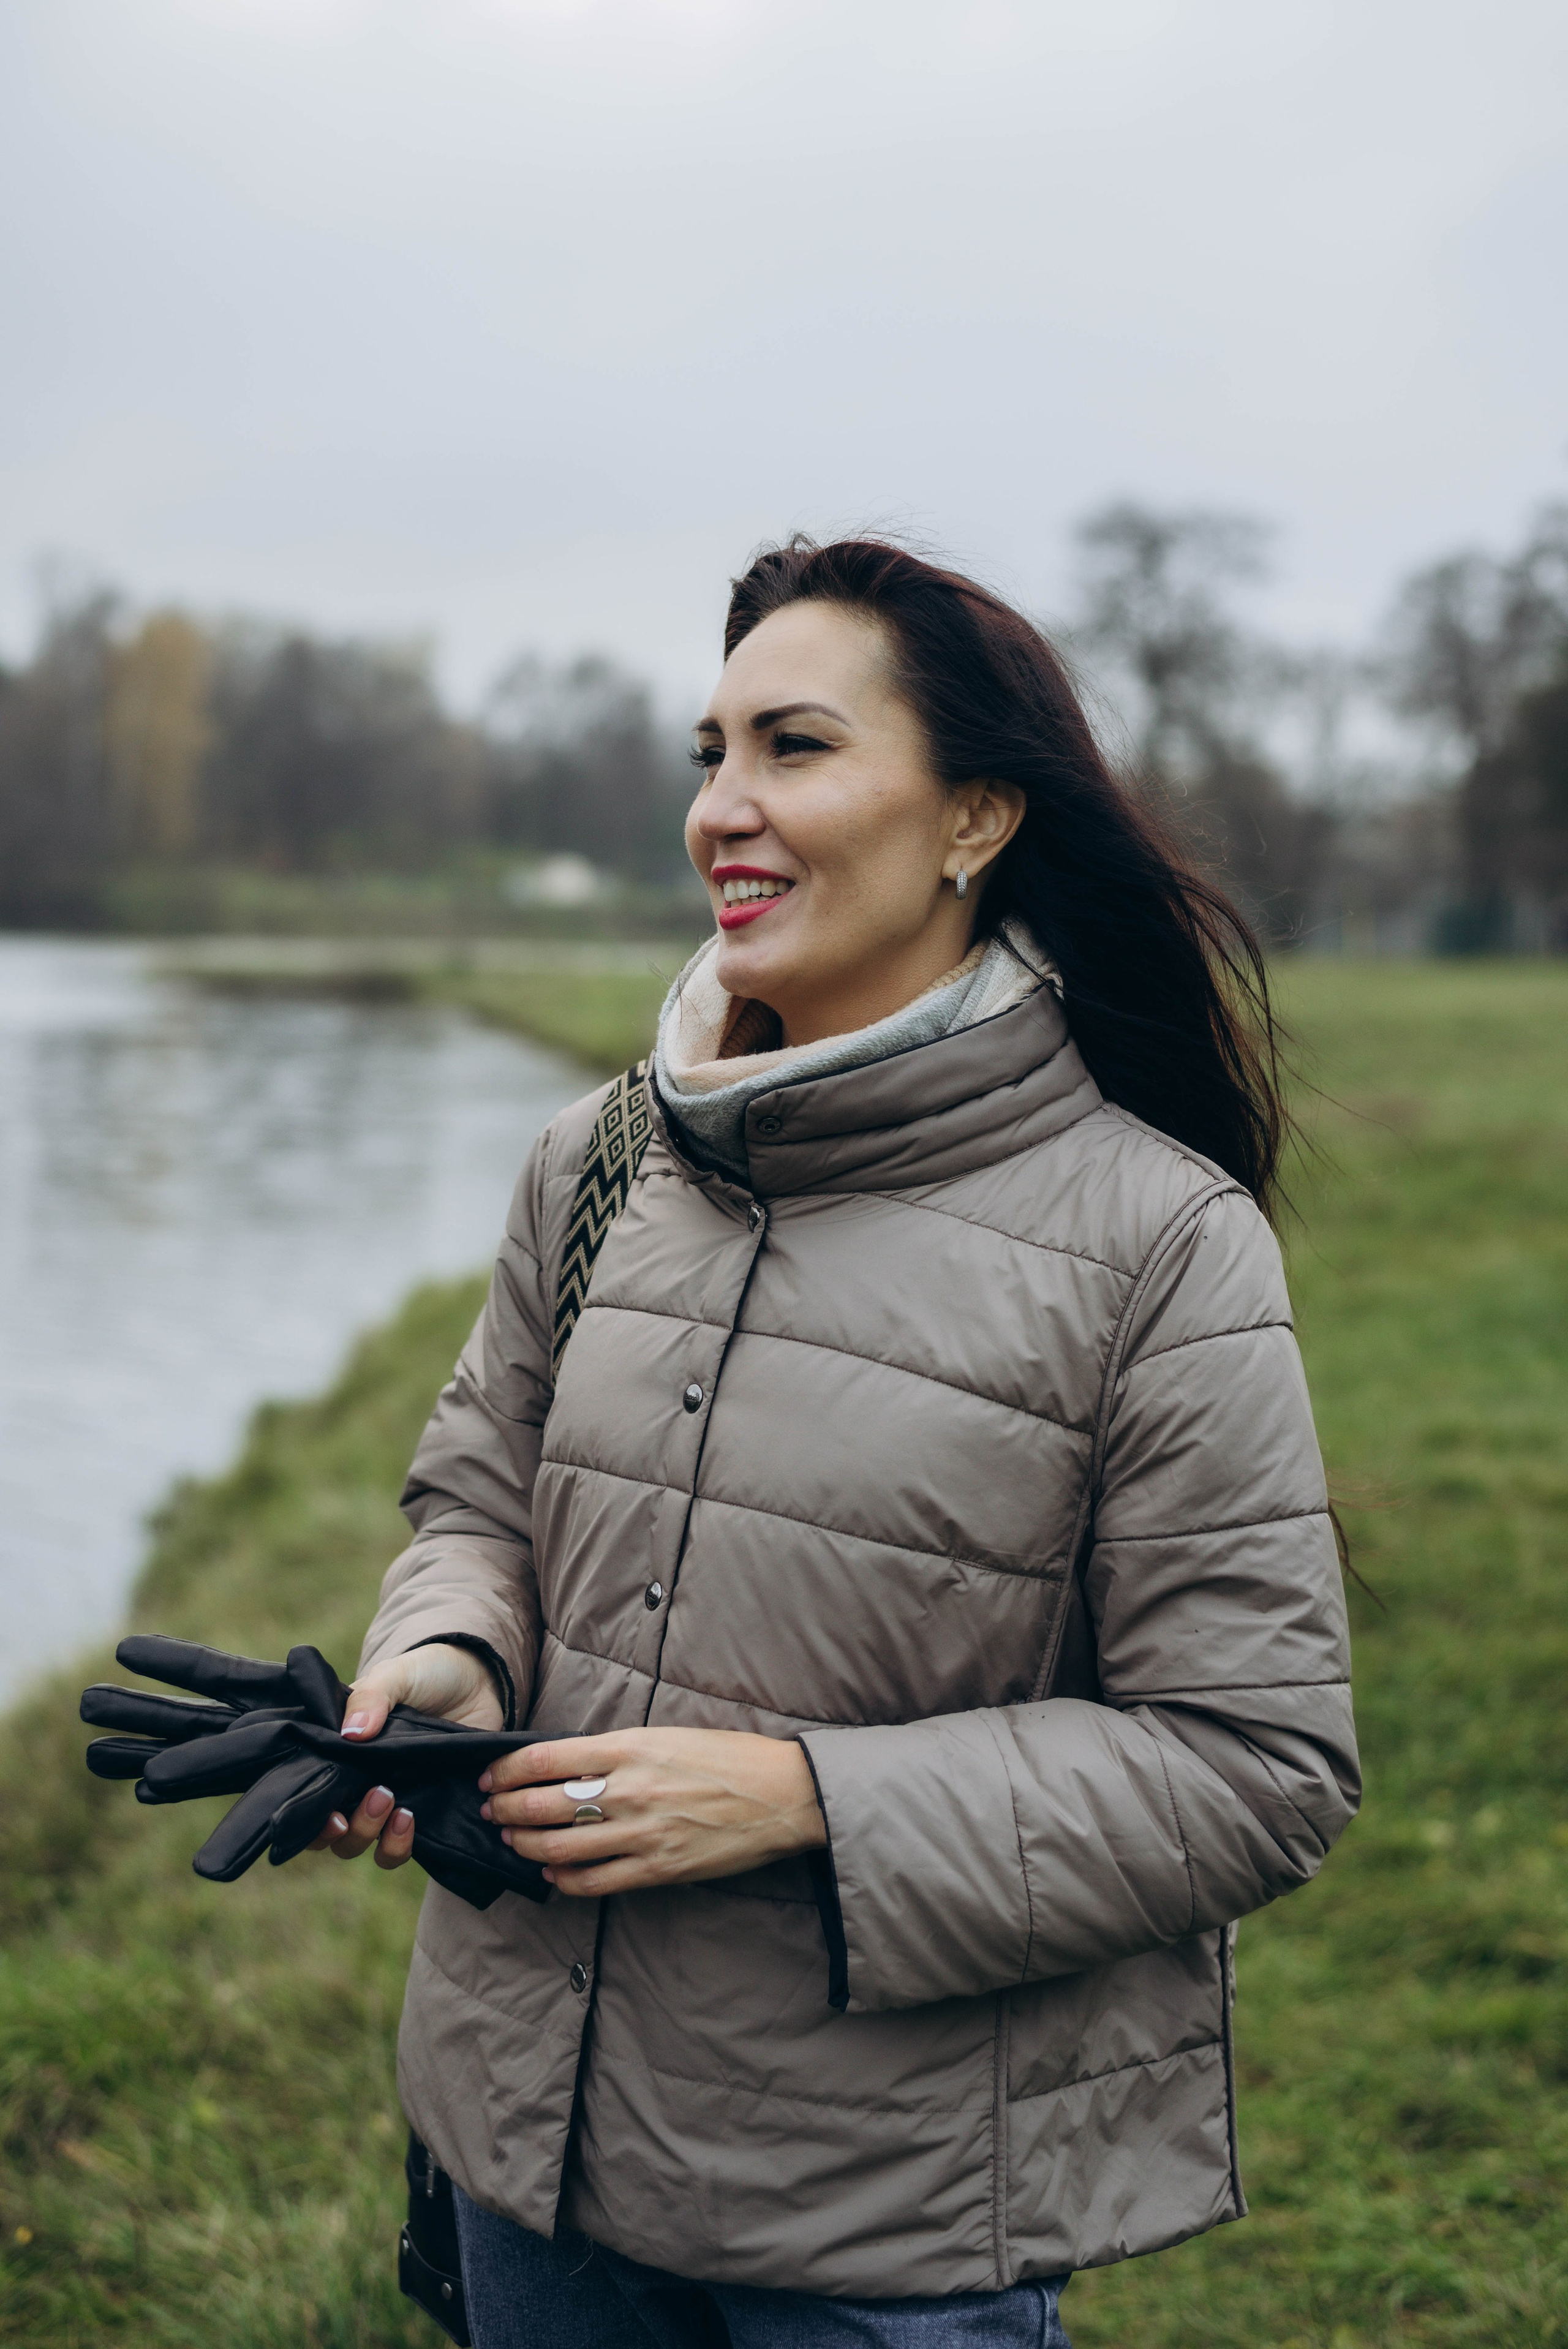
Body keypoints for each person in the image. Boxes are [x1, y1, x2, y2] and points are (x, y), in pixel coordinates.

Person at [317, 538, 1360, 2348]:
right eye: (710, 752)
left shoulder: (1163, 1242)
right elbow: (479, 1491)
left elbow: (1257, 1760)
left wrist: (803, 1798)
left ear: (973, 817)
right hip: (525, 2153)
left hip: (887, 2231)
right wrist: (446, 1651)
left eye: (793, 746)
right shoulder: (601, 1158)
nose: (725, 806)